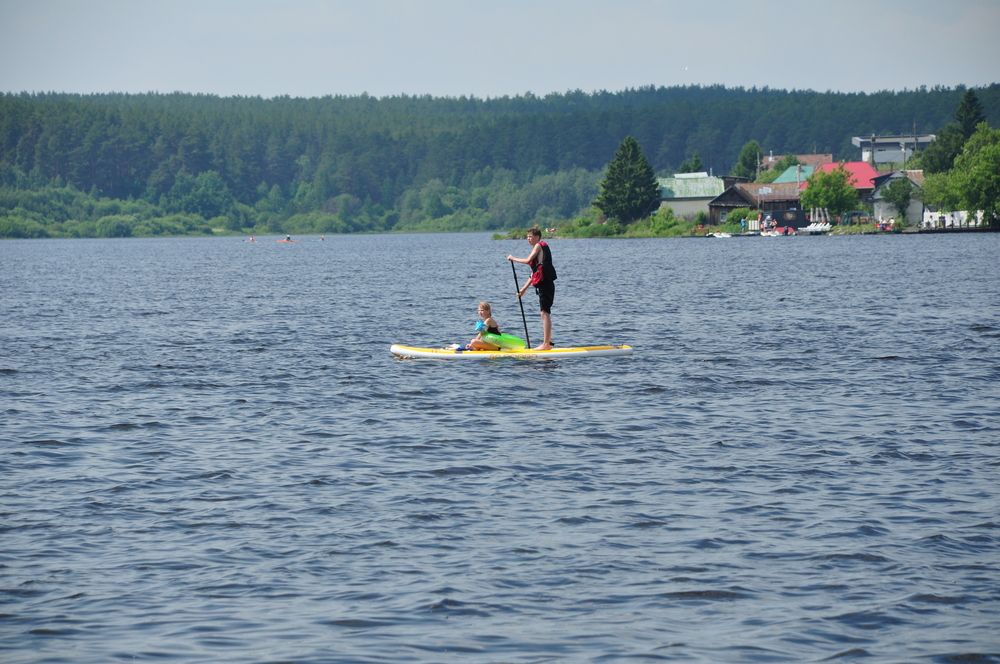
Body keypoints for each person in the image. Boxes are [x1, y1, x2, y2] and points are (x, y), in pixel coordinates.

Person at [507, 227, 556, 350]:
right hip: (545, 284)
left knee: (545, 313)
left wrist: (513, 258)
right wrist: (523, 289)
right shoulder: (538, 251)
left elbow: (528, 260)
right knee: (544, 313)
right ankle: (548, 342)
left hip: (546, 284)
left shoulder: (539, 246)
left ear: (537, 237)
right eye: (527, 237)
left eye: (530, 236)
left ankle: (546, 344)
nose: (528, 239)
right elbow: (534, 273)